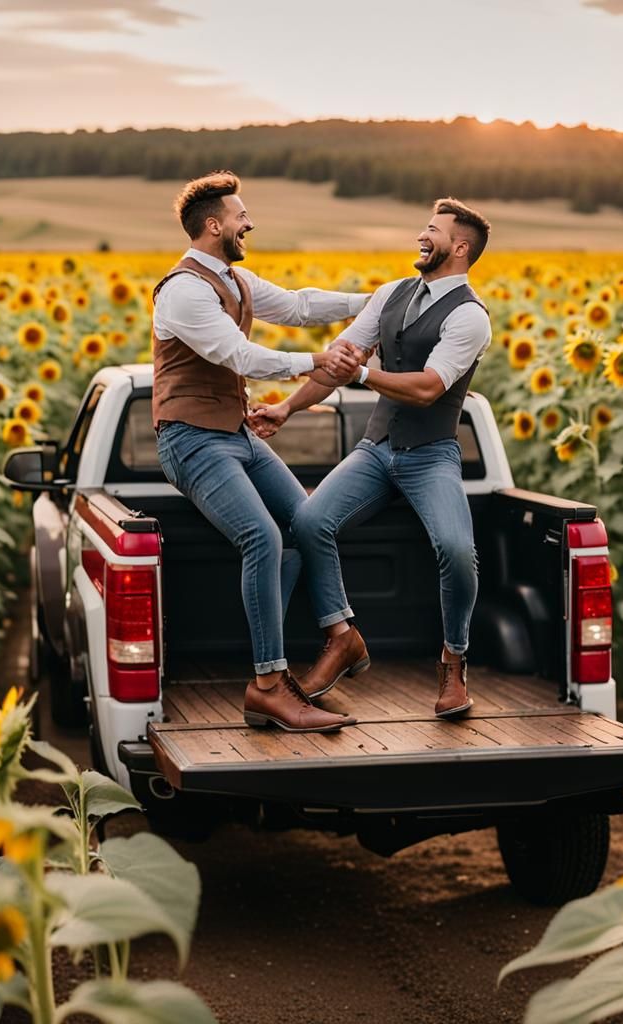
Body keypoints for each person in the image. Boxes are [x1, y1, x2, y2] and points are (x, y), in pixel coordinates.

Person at [249, 198, 492, 718]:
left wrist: (361, 373)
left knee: (456, 548)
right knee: (310, 520)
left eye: (433, 231)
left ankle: (454, 661)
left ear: (461, 247)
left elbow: (428, 389)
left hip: (430, 455)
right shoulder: (390, 294)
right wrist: (288, 408)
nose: (422, 237)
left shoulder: (470, 317)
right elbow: (339, 361)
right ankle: (343, 639)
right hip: (376, 449)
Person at [152, 170, 368, 733]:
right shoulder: (183, 290)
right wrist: (316, 362)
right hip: (191, 438)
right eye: (242, 215)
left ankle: (340, 635)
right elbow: (237, 356)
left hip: (237, 435)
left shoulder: (235, 281)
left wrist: (377, 301)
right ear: (214, 224)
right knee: (262, 536)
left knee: (311, 520)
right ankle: (268, 685)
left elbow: (298, 305)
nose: (250, 222)